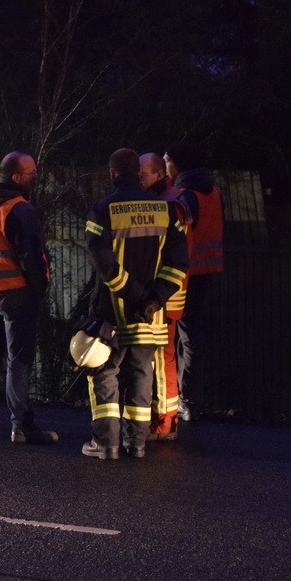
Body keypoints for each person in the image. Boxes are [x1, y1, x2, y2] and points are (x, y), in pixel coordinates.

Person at [82, 148, 188, 460]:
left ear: (112, 173)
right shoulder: (166, 210)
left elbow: (105, 266)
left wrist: (137, 295)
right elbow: (178, 263)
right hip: (150, 317)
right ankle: (137, 445)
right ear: (137, 173)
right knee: (142, 376)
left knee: (104, 374)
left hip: (112, 313)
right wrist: (155, 298)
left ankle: (107, 445)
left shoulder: (102, 210)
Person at [0, 151, 57, 444]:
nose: (36, 177)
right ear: (18, 177)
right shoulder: (19, 209)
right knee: (18, 360)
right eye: (32, 173)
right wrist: (39, 287)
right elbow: (32, 257)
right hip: (17, 295)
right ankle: (21, 427)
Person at [164, 143, 224, 421]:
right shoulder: (213, 192)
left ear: (177, 164)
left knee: (182, 336)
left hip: (185, 276)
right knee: (192, 335)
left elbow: (178, 240)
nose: (165, 167)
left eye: (167, 161)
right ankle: (188, 397)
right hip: (209, 270)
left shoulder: (186, 197)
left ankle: (183, 399)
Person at [138, 152, 188, 441]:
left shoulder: (170, 205)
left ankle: (165, 421)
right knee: (159, 357)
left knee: (162, 357)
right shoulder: (171, 200)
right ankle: (163, 418)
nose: (139, 179)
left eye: (143, 174)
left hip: (165, 295)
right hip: (164, 292)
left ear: (158, 174)